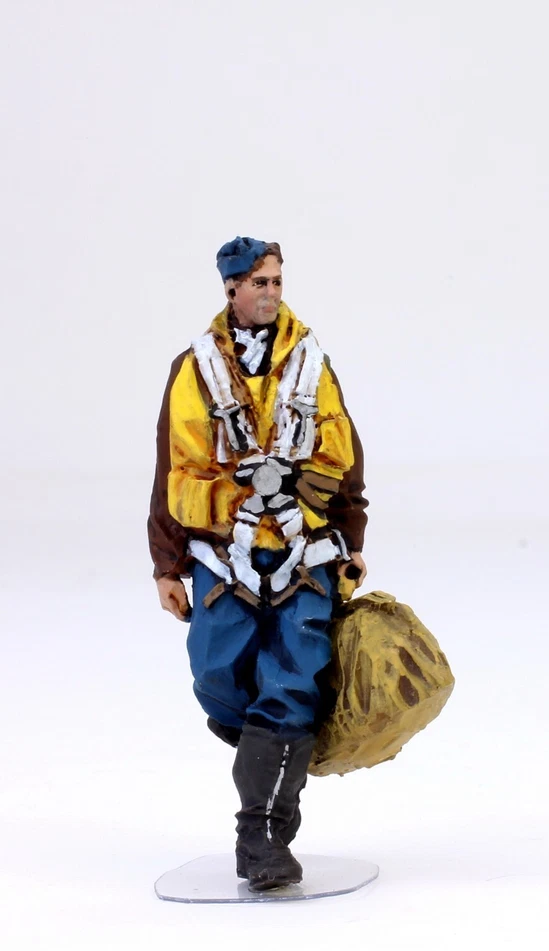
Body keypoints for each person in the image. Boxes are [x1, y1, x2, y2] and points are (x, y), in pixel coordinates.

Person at [147, 237, 368, 891]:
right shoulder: (195, 369)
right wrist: (166, 564)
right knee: (217, 677)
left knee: (293, 684)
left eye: (277, 281)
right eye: (259, 282)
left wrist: (353, 539)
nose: (271, 292)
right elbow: (170, 468)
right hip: (222, 557)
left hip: (305, 553)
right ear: (232, 289)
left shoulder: (312, 361)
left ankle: (265, 834)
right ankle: (267, 759)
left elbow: (346, 456)